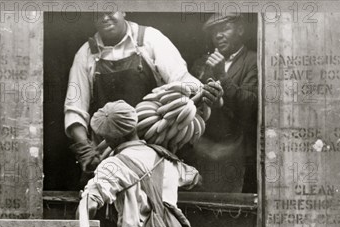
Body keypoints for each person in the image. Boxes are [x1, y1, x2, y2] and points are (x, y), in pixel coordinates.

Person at [65, 11, 222, 173]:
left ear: (123, 10)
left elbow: (180, 77)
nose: (105, 18)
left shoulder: (150, 39)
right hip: (109, 152)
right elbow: (75, 109)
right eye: (97, 13)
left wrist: (202, 90)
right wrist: (85, 149)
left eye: (110, 10)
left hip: (156, 144)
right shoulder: (86, 54)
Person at [184, 13, 258, 192]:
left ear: (240, 30)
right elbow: (188, 103)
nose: (218, 35)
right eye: (214, 32)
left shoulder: (253, 60)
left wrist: (222, 77)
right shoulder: (201, 63)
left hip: (235, 149)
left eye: (225, 29)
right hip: (203, 148)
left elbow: (250, 104)